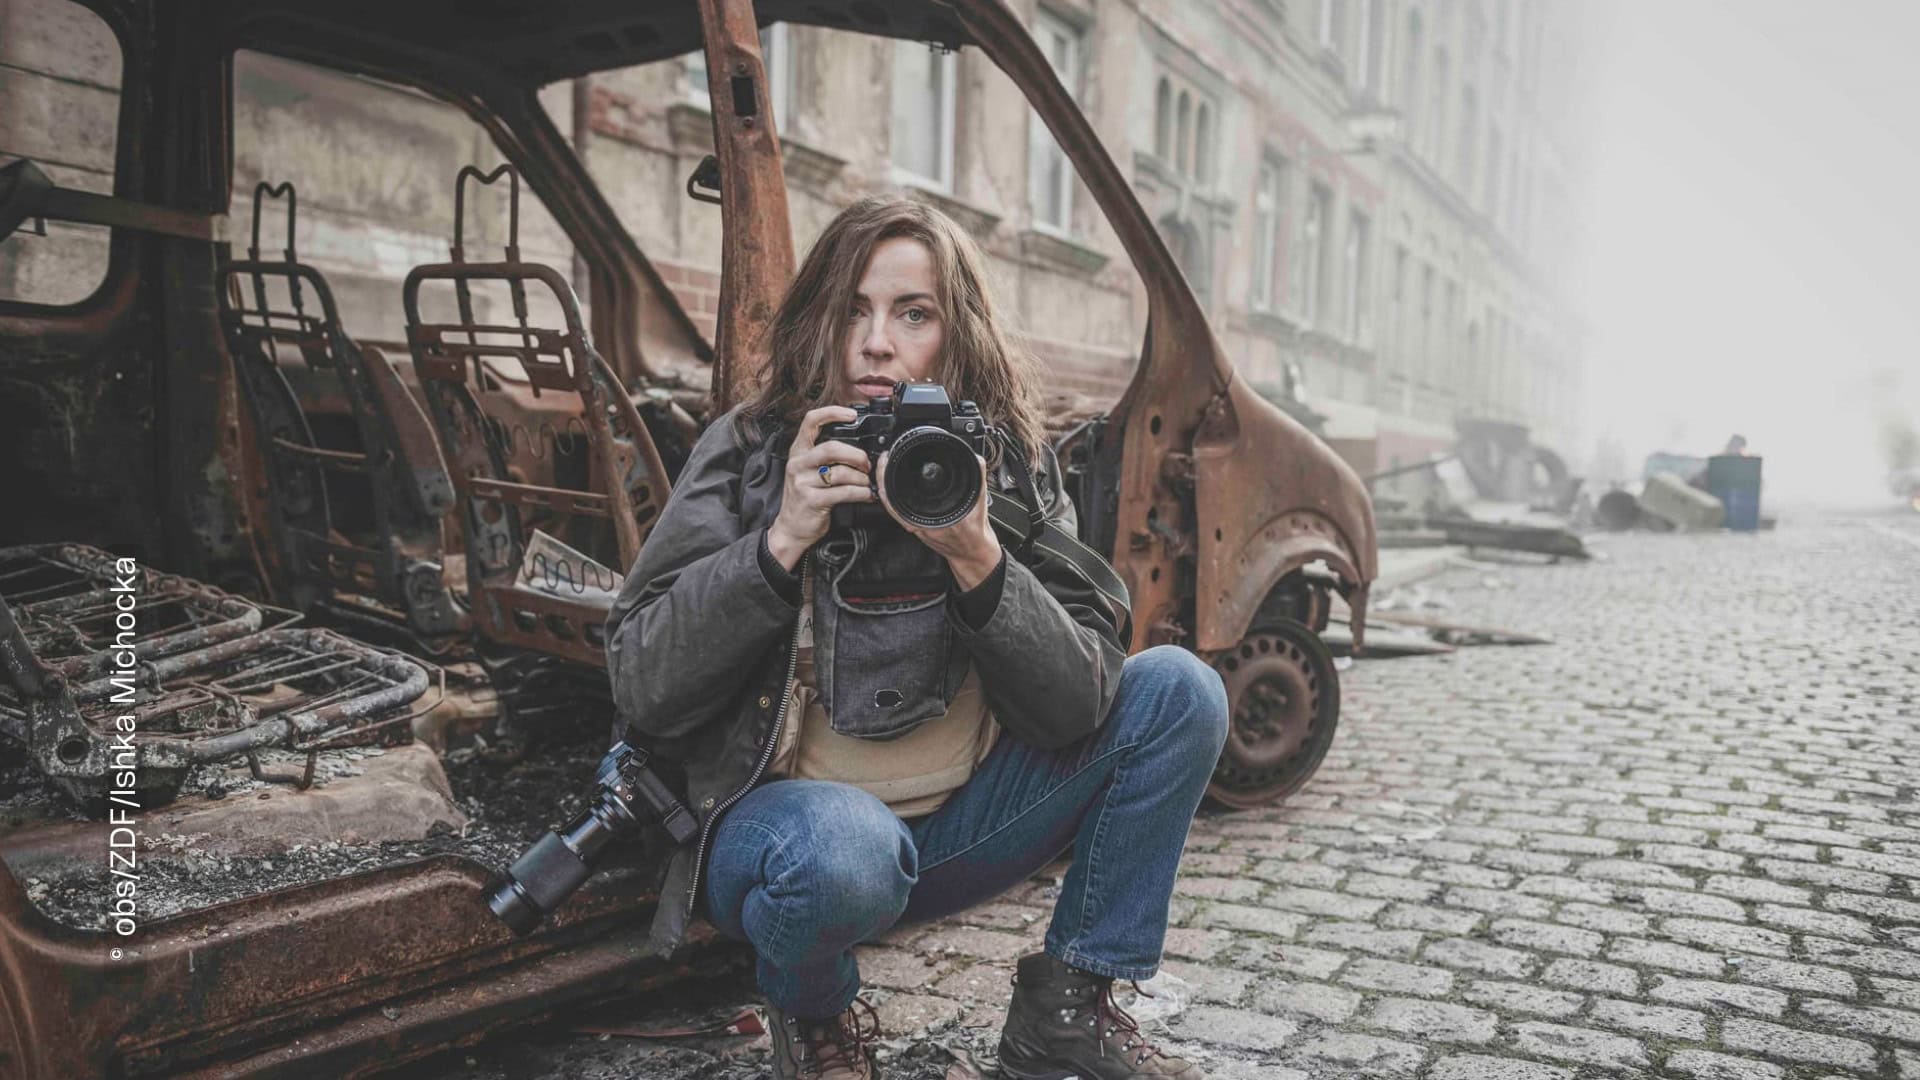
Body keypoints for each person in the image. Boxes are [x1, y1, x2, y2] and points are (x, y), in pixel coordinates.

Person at [605, 195, 1228, 1080]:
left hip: (955, 832)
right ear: (819, 321)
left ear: (954, 332)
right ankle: (814, 1016)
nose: (876, 343)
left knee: (1179, 691)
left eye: (913, 313)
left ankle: (1067, 1010)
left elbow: (1077, 704)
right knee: (845, 850)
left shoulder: (997, 459)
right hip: (787, 841)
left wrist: (976, 553)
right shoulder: (750, 450)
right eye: (852, 309)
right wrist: (779, 541)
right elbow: (641, 682)